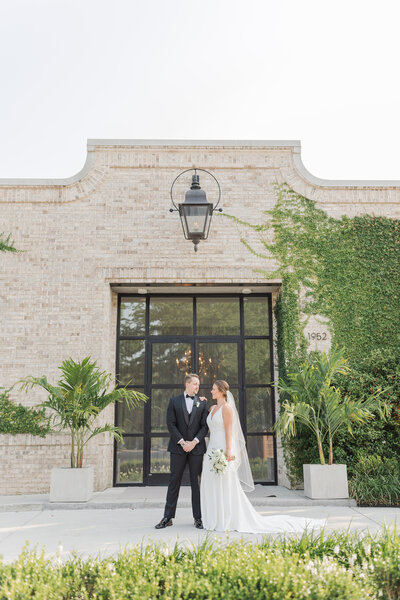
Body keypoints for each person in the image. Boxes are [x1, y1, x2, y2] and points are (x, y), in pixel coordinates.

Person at [200, 380, 325, 533]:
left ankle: (227, 518)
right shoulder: (212, 408)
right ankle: (214, 517)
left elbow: (228, 432)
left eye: (213, 389)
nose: (211, 391)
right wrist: (200, 402)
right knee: (212, 483)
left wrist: (228, 452)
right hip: (211, 448)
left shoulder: (227, 409)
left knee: (226, 484)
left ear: (221, 391)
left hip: (223, 450)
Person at [155, 373, 208, 529]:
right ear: (187, 384)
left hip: (196, 449)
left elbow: (205, 426)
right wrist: (183, 442)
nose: (197, 387)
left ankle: (198, 518)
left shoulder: (203, 403)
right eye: (195, 384)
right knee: (174, 482)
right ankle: (167, 517)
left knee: (196, 484)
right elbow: (171, 424)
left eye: (198, 384)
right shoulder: (174, 401)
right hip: (178, 448)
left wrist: (194, 442)